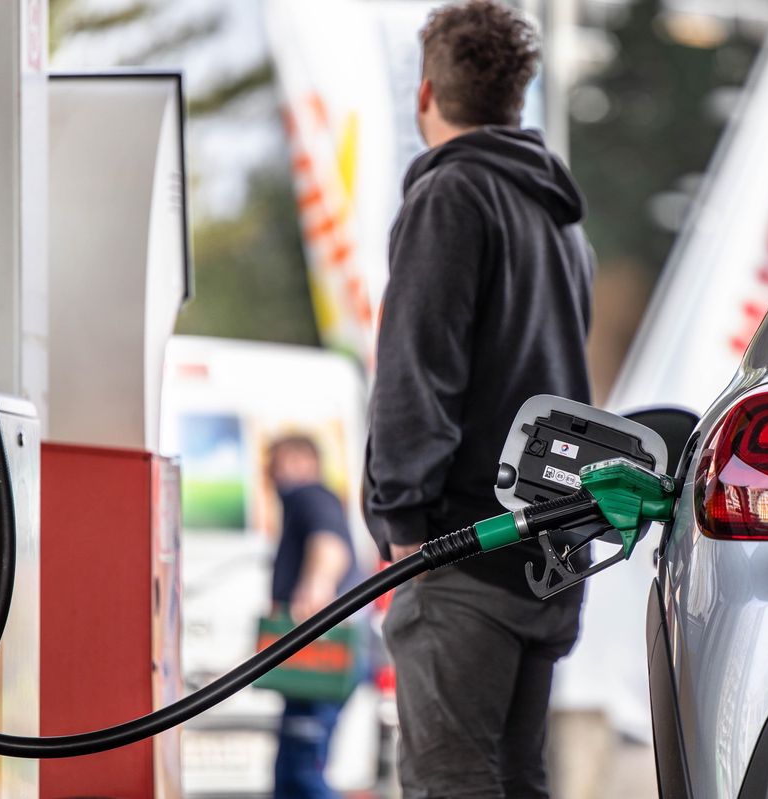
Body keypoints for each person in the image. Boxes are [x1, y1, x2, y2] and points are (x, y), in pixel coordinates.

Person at [363, 0, 595, 795]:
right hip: (548, 550)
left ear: (426, 92)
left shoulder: (451, 198)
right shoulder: (561, 223)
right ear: (516, 98)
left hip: (464, 545)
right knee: (515, 775)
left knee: (450, 778)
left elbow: (416, 371)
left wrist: (403, 526)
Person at [266, 434, 360, 799]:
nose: (272, 477)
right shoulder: (312, 499)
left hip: (320, 652)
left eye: (276, 465)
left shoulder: (310, 495)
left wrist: (314, 590)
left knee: (303, 769)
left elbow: (330, 546)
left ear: (299, 461)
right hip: (313, 654)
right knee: (291, 767)